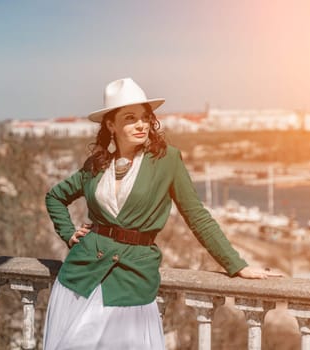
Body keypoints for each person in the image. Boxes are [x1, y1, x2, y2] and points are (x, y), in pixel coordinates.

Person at [43, 78, 281, 349]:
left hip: (132, 281)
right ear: (111, 125)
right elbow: (55, 197)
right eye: (130, 118)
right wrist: (69, 233)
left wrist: (236, 265)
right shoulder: (97, 165)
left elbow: (196, 216)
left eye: (145, 117)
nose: (141, 124)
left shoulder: (167, 160)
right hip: (80, 277)